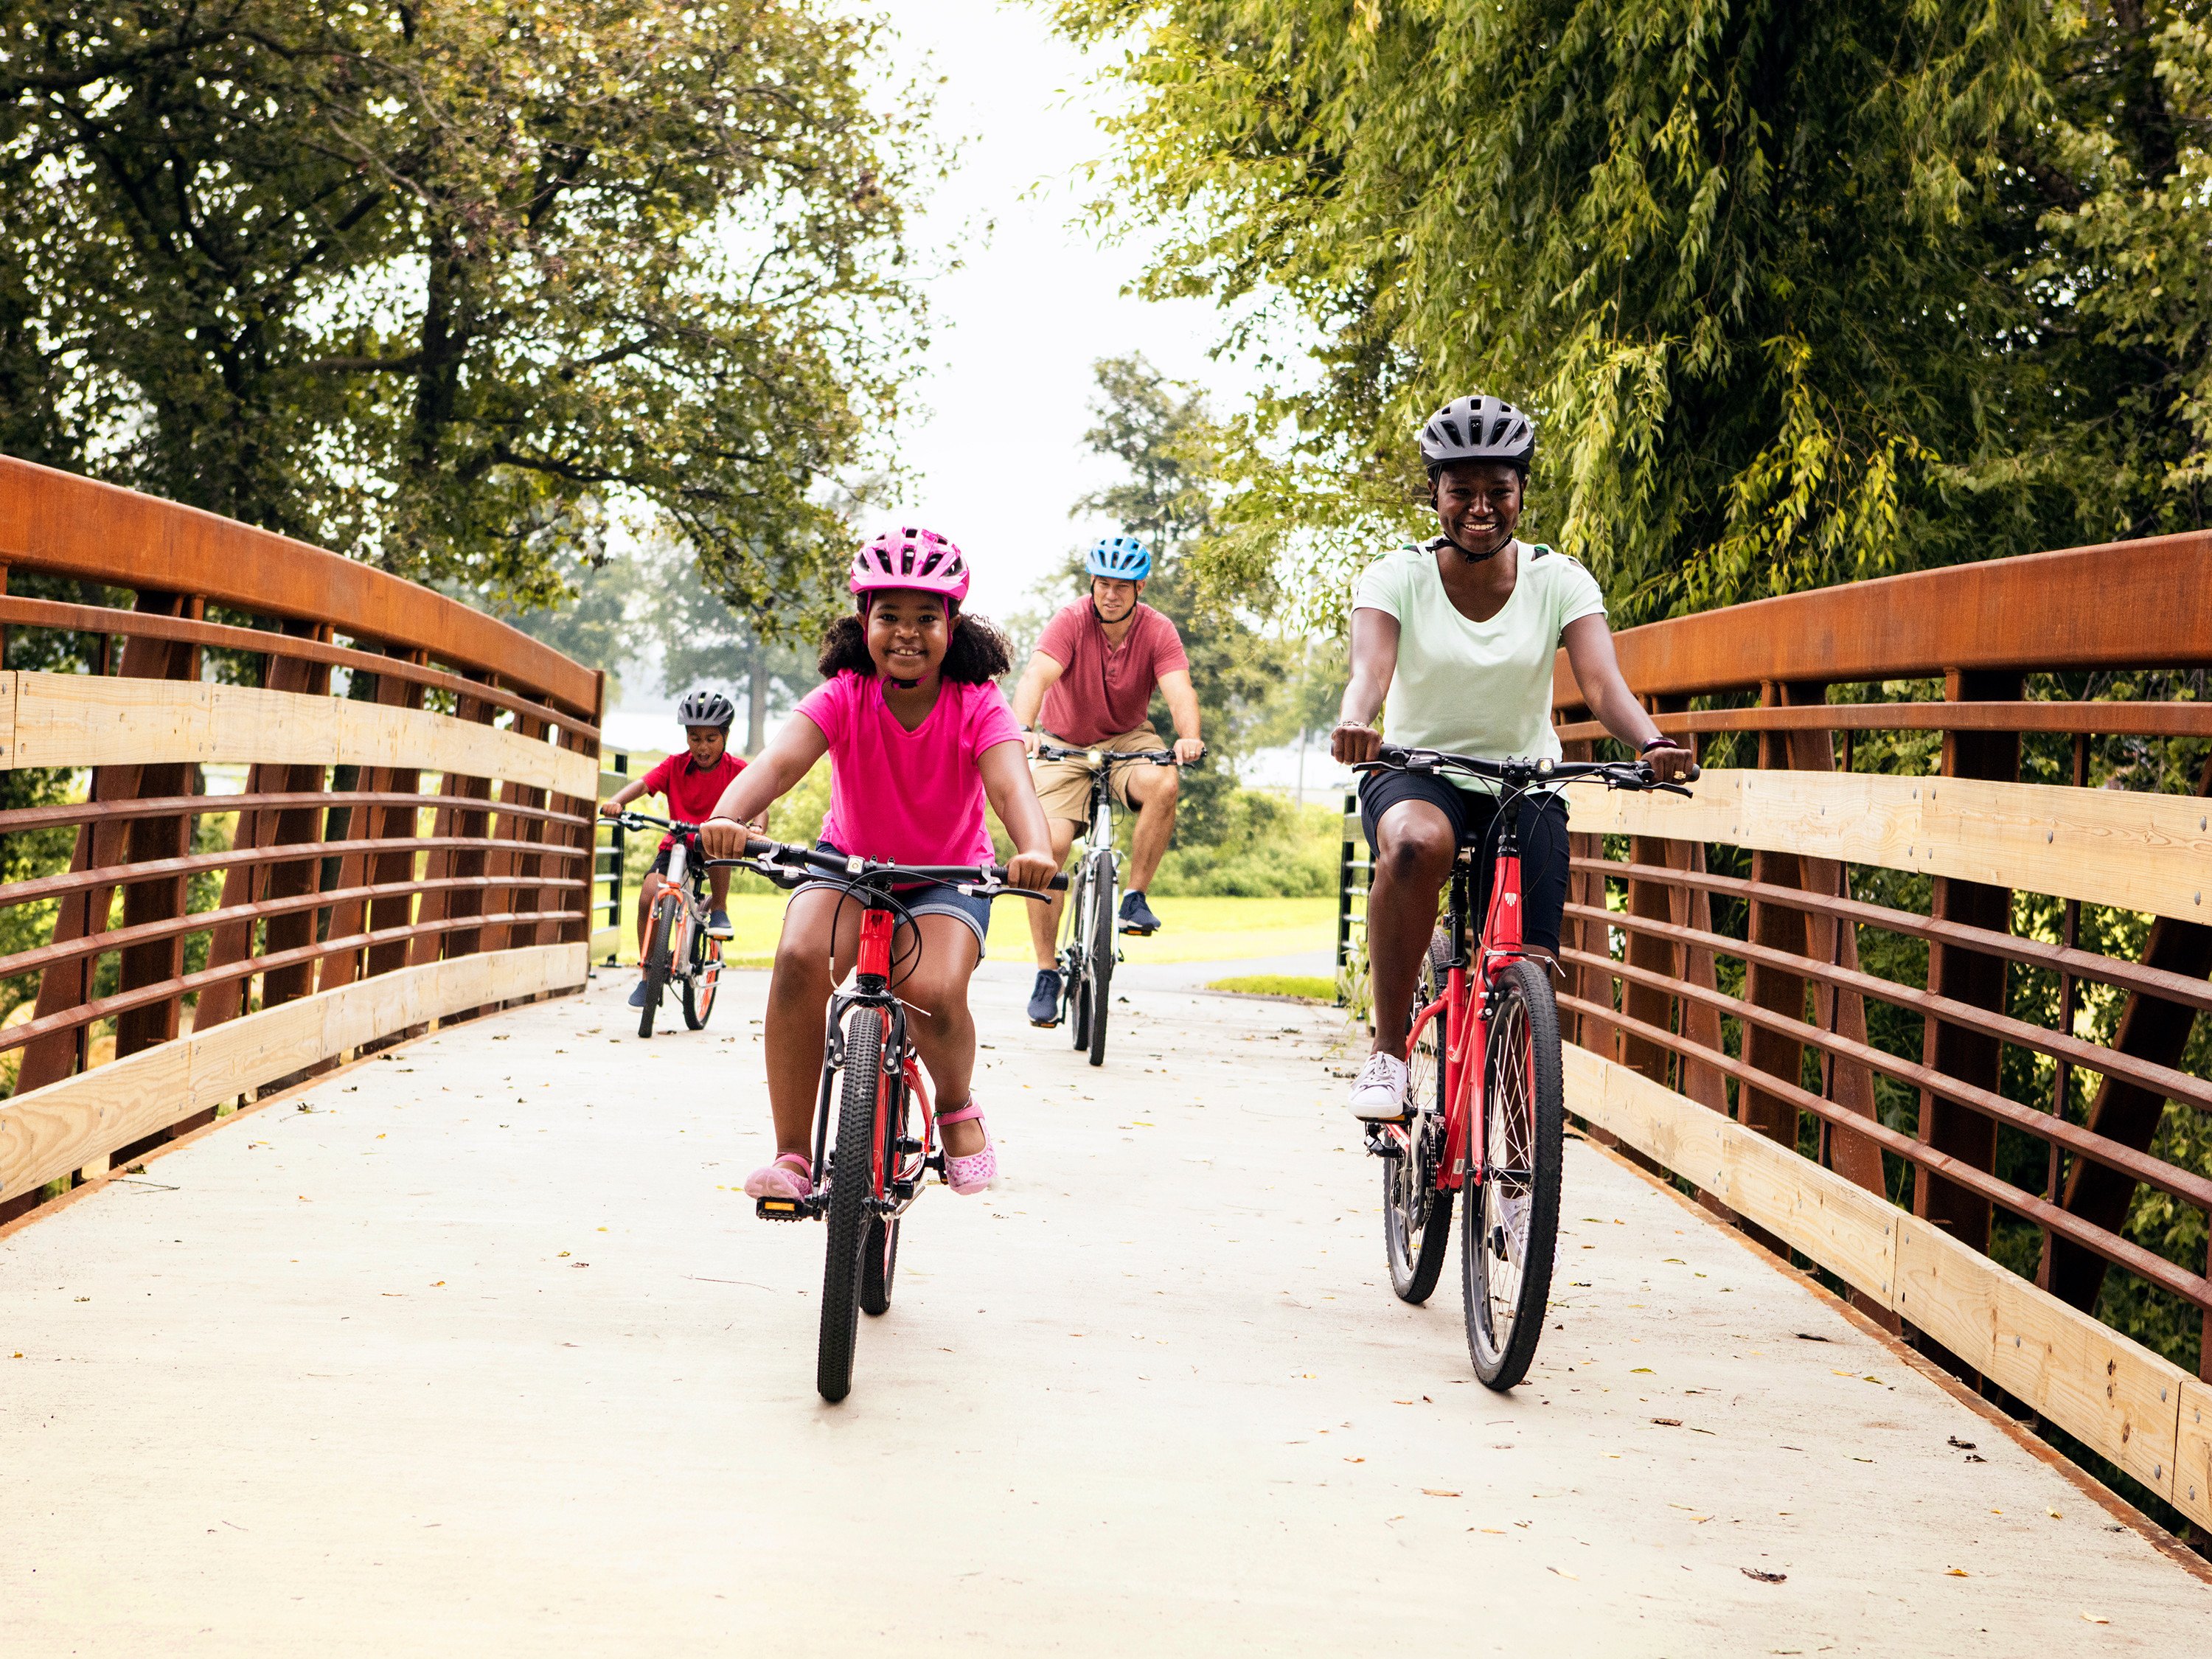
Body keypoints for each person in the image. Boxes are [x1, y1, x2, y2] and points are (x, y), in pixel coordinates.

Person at [1331, 394, 1694, 1121]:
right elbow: (1369, 672)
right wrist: (1353, 722)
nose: (1481, 507)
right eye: (1461, 491)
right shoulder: (1394, 575)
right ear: (1433, 492)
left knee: (1526, 968)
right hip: (1415, 770)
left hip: (1525, 781)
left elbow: (1601, 684)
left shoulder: (1558, 579)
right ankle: (1390, 1055)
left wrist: (1650, 740)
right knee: (1412, 846)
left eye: (1499, 490)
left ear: (1522, 491)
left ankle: (1522, 1173)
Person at [699, 528, 1058, 1200]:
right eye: (889, 616)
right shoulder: (845, 692)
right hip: (851, 866)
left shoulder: (978, 701)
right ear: (864, 620)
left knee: (932, 989)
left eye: (927, 618)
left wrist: (1034, 851)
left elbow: (1011, 786)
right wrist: (727, 816)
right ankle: (794, 1158)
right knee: (800, 958)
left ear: (953, 625)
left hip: (949, 876)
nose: (906, 634)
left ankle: (954, 1105)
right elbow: (779, 763)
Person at [1007, 533, 1205, 1026]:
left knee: (1164, 781)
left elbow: (1179, 688)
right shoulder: (1071, 621)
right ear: (1091, 585)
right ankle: (1047, 971)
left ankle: (1134, 897)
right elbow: (1036, 675)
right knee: (1048, 851)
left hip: (1127, 739)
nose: (1109, 594)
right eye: (1102, 584)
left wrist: (1188, 737)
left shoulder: (1158, 630)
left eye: (1121, 586)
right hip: (1063, 742)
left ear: (1138, 589)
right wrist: (1024, 730)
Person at [599, 689, 746, 1009]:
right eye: (694, 738)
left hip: (711, 842)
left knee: (716, 844)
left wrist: (758, 827)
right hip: (677, 842)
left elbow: (759, 800)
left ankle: (718, 907)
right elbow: (643, 784)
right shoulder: (675, 766)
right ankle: (648, 974)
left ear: (725, 737)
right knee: (648, 894)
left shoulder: (737, 770)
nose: (702, 747)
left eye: (710, 739)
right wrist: (618, 801)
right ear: (686, 737)